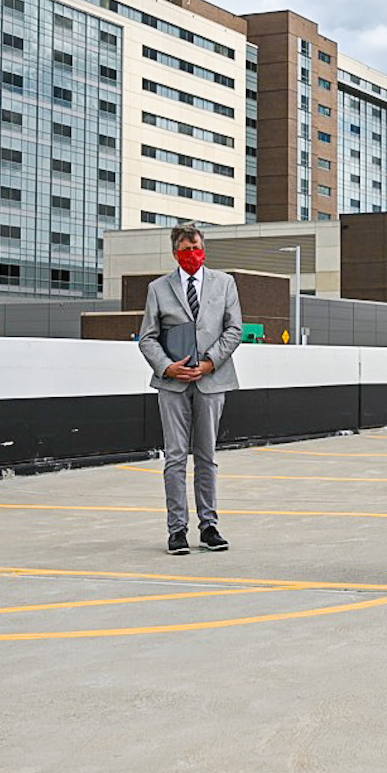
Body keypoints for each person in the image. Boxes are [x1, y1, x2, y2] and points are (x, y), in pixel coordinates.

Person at [136, 222, 245, 556]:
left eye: (196, 248)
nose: (192, 255)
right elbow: (148, 337)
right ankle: (177, 530)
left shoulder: (225, 283)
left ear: (204, 248)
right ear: (175, 253)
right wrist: (168, 367)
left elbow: (234, 328)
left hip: (212, 381)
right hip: (173, 384)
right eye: (185, 250)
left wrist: (210, 361)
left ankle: (209, 526)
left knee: (207, 457)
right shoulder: (158, 288)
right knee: (175, 457)